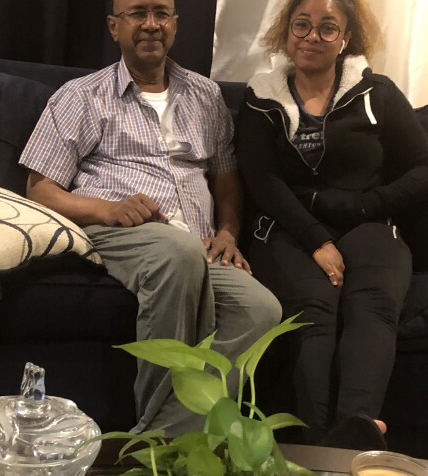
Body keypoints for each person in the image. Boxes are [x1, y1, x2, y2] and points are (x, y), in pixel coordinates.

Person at [19, 0, 282, 437]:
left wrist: (229, 230)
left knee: (261, 308)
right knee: (177, 253)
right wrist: (107, 209)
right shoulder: (81, 96)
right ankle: (161, 460)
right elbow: (39, 190)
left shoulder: (205, 94)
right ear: (113, 27)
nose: (150, 25)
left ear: (176, 26)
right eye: (137, 14)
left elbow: (227, 179)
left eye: (161, 14)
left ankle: (154, 446)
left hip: (198, 244)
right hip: (122, 231)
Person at [235, 0, 428, 445]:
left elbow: (426, 169)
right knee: (315, 308)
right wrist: (315, 240)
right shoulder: (260, 97)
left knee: (374, 304)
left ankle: (355, 435)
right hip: (287, 228)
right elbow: (263, 182)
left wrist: (364, 206)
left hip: (367, 224)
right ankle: (314, 442)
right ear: (286, 33)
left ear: (346, 39)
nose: (312, 36)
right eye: (302, 25)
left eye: (328, 28)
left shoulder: (378, 93)